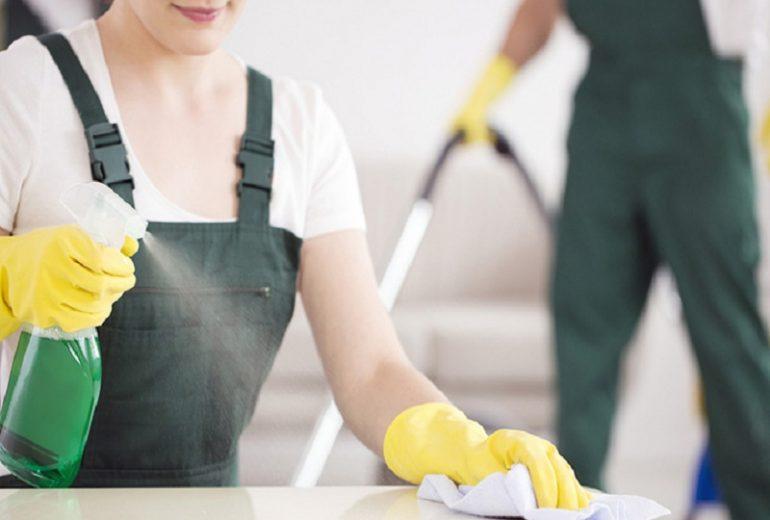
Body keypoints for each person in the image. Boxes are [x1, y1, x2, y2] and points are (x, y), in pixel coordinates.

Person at [0, 0, 590, 507]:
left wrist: (463, 446)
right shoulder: (26, 86)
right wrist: (11, 279)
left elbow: (370, 370)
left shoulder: (300, 125)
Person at [451, 1, 770, 518]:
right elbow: (540, 9)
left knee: (728, 337)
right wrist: (488, 88)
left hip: (703, 112)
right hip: (605, 112)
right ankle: (575, 506)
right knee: (582, 328)